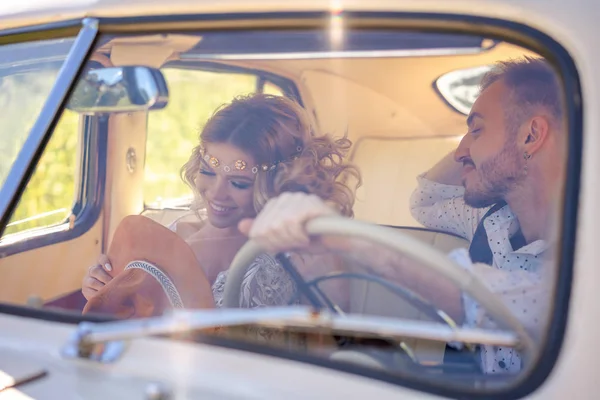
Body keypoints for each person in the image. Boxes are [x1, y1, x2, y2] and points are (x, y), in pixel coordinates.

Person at [239, 57, 566, 374]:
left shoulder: (585, 255)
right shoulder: (489, 220)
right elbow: (426, 200)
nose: (459, 151)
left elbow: (511, 302)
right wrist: (478, 143)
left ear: (530, 136)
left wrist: (344, 239)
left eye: (477, 130)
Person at [82, 93, 360, 312]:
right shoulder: (168, 231)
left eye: (239, 182)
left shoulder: (301, 252)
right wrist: (102, 290)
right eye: (208, 171)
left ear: (278, 183)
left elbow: (331, 340)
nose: (217, 193)